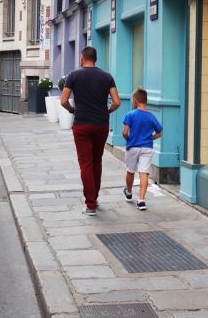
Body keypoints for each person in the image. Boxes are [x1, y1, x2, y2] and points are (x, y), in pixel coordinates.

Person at [61, 46, 121, 216]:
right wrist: (107, 111)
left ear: (82, 58)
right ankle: (94, 198)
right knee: (97, 162)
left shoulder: (74, 76)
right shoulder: (107, 77)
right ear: (96, 59)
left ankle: (90, 204)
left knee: (85, 163)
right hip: (101, 124)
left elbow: (63, 100)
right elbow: (116, 102)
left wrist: (73, 110)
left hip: (82, 124)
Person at [121, 88, 163, 211]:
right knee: (144, 173)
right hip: (147, 147)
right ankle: (141, 200)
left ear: (135, 100)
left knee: (130, 171)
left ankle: (129, 192)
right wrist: (151, 137)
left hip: (133, 146)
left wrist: (128, 138)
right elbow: (159, 132)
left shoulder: (130, 114)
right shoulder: (151, 116)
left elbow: (124, 132)